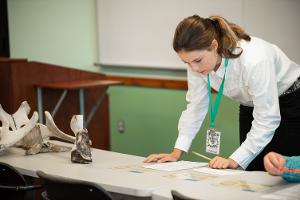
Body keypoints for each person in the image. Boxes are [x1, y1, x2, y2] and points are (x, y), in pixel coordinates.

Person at [144, 15, 300, 171]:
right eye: (187, 62)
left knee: (283, 171)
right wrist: (176, 153)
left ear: (214, 45)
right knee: (253, 169)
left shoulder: (254, 59)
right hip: (250, 104)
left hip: (291, 101)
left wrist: (233, 160)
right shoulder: (195, 62)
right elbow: (196, 106)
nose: (194, 69)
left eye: (197, 61)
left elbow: (267, 118)